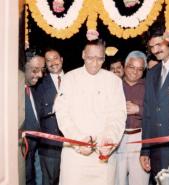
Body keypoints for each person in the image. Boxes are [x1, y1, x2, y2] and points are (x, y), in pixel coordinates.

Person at [54, 39, 127, 185]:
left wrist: (109, 139)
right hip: (75, 157)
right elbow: (63, 114)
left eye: (99, 59)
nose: (95, 63)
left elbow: (118, 115)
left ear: (104, 58)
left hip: (103, 157)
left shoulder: (114, 81)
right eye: (90, 58)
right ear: (83, 55)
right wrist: (78, 141)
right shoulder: (69, 78)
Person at [140, 29, 169, 184]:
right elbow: (148, 113)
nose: (155, 50)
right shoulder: (152, 73)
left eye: (159, 44)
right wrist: (145, 149)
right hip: (156, 149)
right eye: (152, 47)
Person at [115, 51, 150, 185]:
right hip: (118, 138)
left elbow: (157, 113)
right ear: (125, 66)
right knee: (117, 180)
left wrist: (138, 109)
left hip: (140, 139)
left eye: (140, 69)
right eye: (132, 67)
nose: (135, 72)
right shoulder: (114, 85)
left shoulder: (149, 86)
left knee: (140, 181)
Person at [35, 48, 64, 185]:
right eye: (48, 60)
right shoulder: (39, 84)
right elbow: (37, 113)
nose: (53, 62)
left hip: (74, 147)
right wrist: (54, 105)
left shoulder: (74, 79)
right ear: (45, 64)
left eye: (55, 58)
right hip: (50, 147)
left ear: (62, 59)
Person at [21, 49, 45, 185]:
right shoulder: (14, 92)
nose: (40, 75)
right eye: (35, 70)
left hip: (34, 147)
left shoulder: (32, 89)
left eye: (42, 70)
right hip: (23, 149)